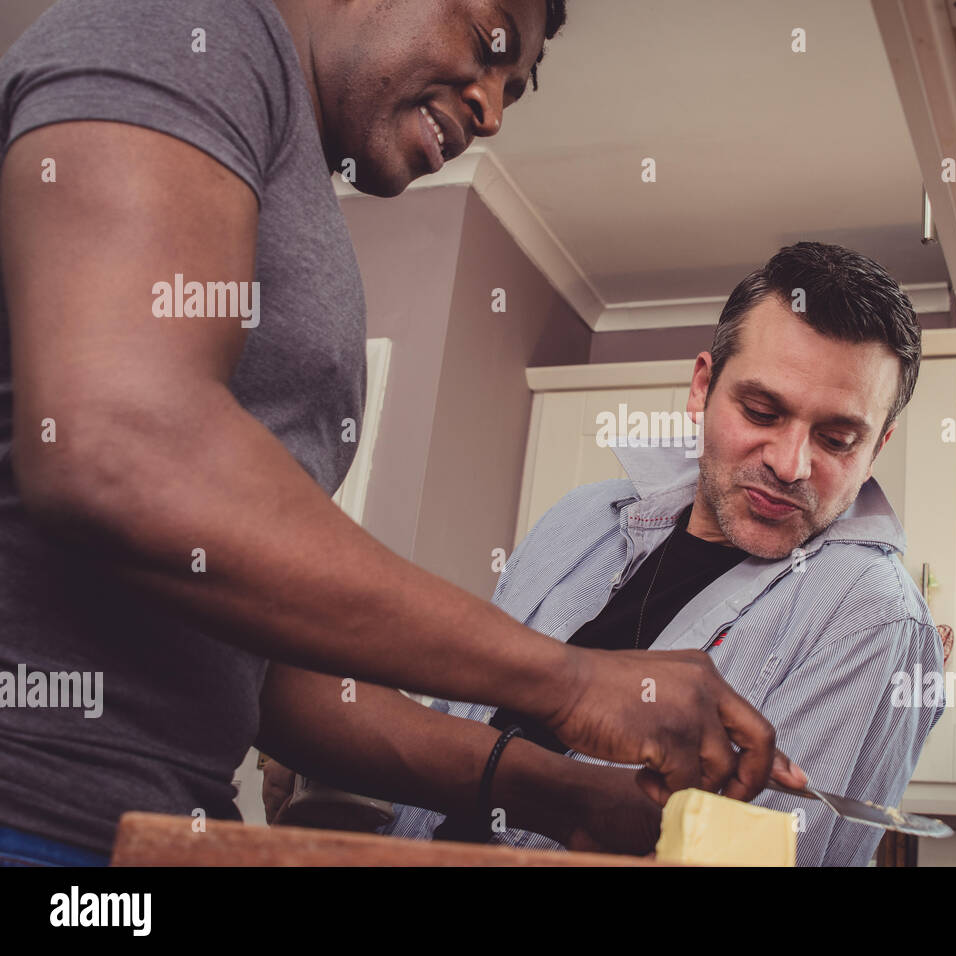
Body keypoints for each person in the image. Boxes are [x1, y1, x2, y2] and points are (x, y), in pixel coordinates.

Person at [0, 0, 801, 866]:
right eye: (491, 44)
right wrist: (566, 680)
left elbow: (269, 668)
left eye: (514, 89)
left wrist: (555, 790)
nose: (492, 111)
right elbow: (121, 446)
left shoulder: (282, 170)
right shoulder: (189, 26)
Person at [376, 243, 948, 865]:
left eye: (837, 439)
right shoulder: (584, 514)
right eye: (761, 411)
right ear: (703, 387)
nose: (789, 465)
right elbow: (459, 711)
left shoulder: (874, 616)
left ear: (876, 449)